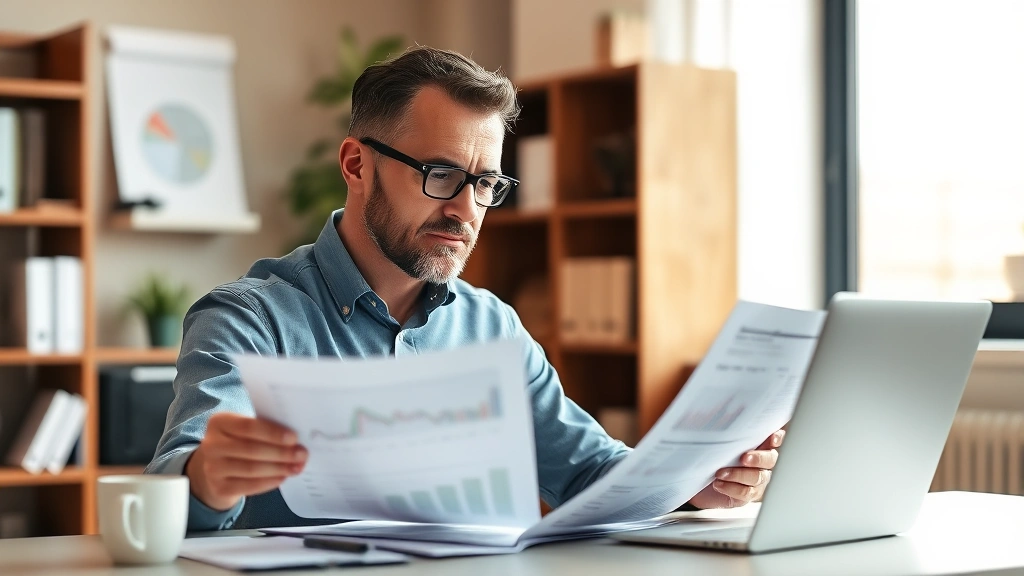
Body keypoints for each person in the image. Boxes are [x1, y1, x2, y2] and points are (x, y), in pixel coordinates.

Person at [146, 46, 783, 531]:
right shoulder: (248, 319)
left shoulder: (493, 329)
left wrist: (698, 479)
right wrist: (207, 478)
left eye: (486, 184)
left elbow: (590, 473)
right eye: (442, 174)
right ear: (356, 164)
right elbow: (172, 491)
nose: (466, 209)